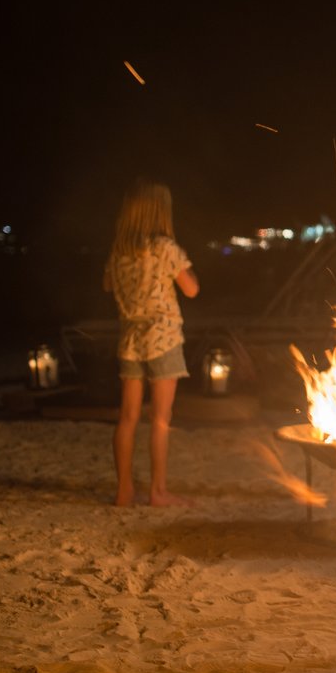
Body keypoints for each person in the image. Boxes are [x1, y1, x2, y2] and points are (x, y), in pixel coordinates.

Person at [103, 178, 200, 508]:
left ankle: (124, 491)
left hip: (130, 339)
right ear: (161, 212)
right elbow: (191, 289)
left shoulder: (119, 250)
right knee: (160, 419)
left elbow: (106, 284)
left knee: (127, 417)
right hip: (164, 339)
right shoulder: (165, 247)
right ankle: (158, 492)